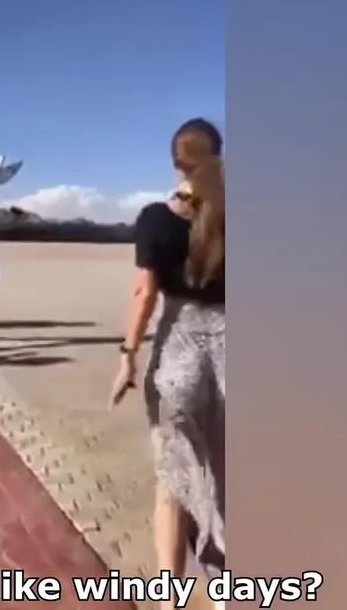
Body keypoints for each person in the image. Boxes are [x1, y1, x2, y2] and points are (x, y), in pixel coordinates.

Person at [110, 118, 225, 606]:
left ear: (177, 162)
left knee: (172, 481)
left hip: (178, 358)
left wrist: (127, 357)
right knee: (229, 478)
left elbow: (144, 293)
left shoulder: (156, 218)